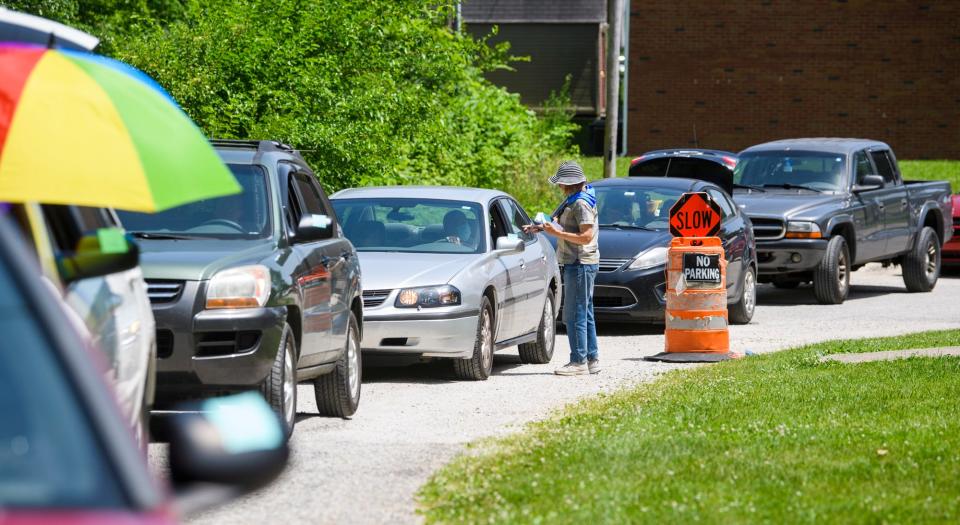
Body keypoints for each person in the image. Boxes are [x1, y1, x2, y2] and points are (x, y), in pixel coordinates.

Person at [525, 161, 600, 376]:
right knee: (585, 311)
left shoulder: (580, 204)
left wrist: (556, 234)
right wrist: (540, 228)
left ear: (568, 184)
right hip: (581, 263)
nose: (559, 187)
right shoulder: (575, 199)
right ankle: (592, 359)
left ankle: (578, 362)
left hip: (580, 263)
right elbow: (565, 225)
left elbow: (586, 237)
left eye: (560, 183)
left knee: (574, 313)